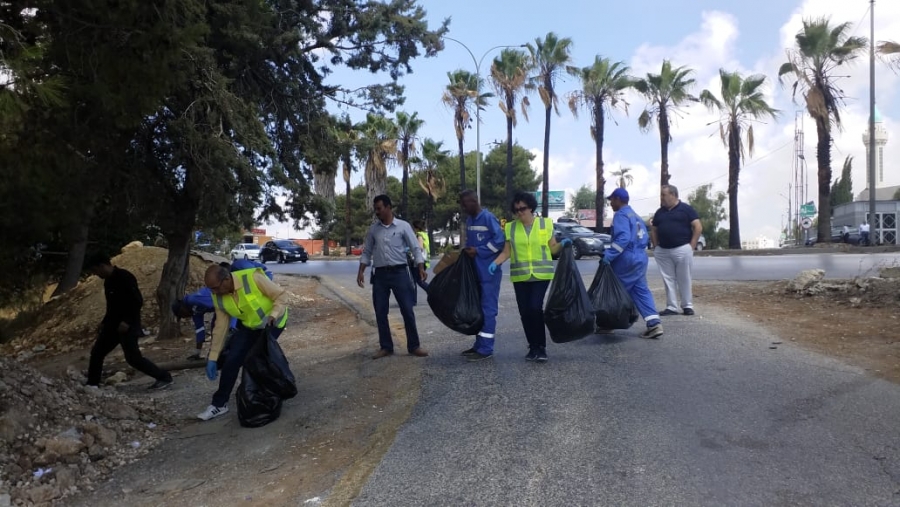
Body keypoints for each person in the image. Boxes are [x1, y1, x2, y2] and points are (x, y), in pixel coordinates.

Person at [196, 263, 290, 421]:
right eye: (211, 289)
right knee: (232, 359)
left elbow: (281, 295)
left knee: (258, 358)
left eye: (216, 288)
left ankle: (275, 390)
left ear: (227, 279)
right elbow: (220, 327)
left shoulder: (252, 278)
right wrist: (213, 357)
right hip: (250, 326)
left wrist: (273, 314)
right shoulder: (218, 296)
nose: (214, 292)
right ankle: (219, 404)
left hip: (272, 323)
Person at [491, 191, 564, 362]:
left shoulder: (545, 224)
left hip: (541, 275)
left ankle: (541, 348)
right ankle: (533, 347)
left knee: (534, 308)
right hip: (520, 276)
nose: (519, 213)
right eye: (516, 210)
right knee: (524, 312)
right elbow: (506, 252)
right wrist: (495, 263)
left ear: (531, 208)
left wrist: (563, 245)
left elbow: (552, 248)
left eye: (522, 209)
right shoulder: (511, 227)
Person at [356, 195, 429, 359]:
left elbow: (415, 248)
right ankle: (386, 347)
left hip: (400, 273)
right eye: (375, 209)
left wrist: (420, 267)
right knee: (380, 311)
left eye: (379, 208)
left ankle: (414, 346)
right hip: (380, 275)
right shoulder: (374, 229)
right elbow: (367, 251)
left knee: (407, 310)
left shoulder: (403, 226)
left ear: (388, 207)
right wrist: (361, 271)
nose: (377, 212)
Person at [85, 254, 173, 389]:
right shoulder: (108, 281)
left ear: (102, 266)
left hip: (128, 326)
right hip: (113, 325)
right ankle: (92, 384)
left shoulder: (124, 277)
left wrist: (127, 321)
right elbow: (112, 306)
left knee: (133, 358)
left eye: (95, 271)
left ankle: (164, 377)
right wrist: (104, 322)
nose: (96, 274)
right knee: (97, 352)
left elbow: (137, 301)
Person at [604, 188, 663, 339]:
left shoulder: (621, 215)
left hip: (626, 258)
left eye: (612, 200)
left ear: (618, 199)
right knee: (640, 289)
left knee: (617, 290)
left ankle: (608, 324)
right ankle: (654, 324)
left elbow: (623, 238)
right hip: (640, 257)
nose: (611, 203)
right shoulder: (635, 216)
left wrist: (608, 255)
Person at [459, 189, 505, 362]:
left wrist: (479, 251)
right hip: (476, 272)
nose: (463, 208)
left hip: (488, 272)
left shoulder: (488, 218)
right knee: (478, 310)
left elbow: (499, 241)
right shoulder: (470, 220)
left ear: (474, 201)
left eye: (465, 204)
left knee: (488, 310)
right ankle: (479, 345)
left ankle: (486, 348)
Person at [650, 185, 702, 316]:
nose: (661, 198)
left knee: (684, 278)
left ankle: (687, 306)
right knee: (668, 279)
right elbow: (654, 230)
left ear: (673, 195)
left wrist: (692, 246)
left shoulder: (686, 209)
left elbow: (698, 227)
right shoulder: (659, 212)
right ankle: (672, 307)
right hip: (663, 250)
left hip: (682, 249)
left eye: (663, 195)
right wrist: (656, 247)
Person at [171, 287, 237, 360]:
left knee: (222, 329)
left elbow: (225, 304)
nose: (184, 317)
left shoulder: (193, 300)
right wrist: (197, 352)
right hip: (220, 306)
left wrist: (232, 326)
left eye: (182, 315)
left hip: (227, 299)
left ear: (182, 309)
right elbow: (200, 331)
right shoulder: (194, 311)